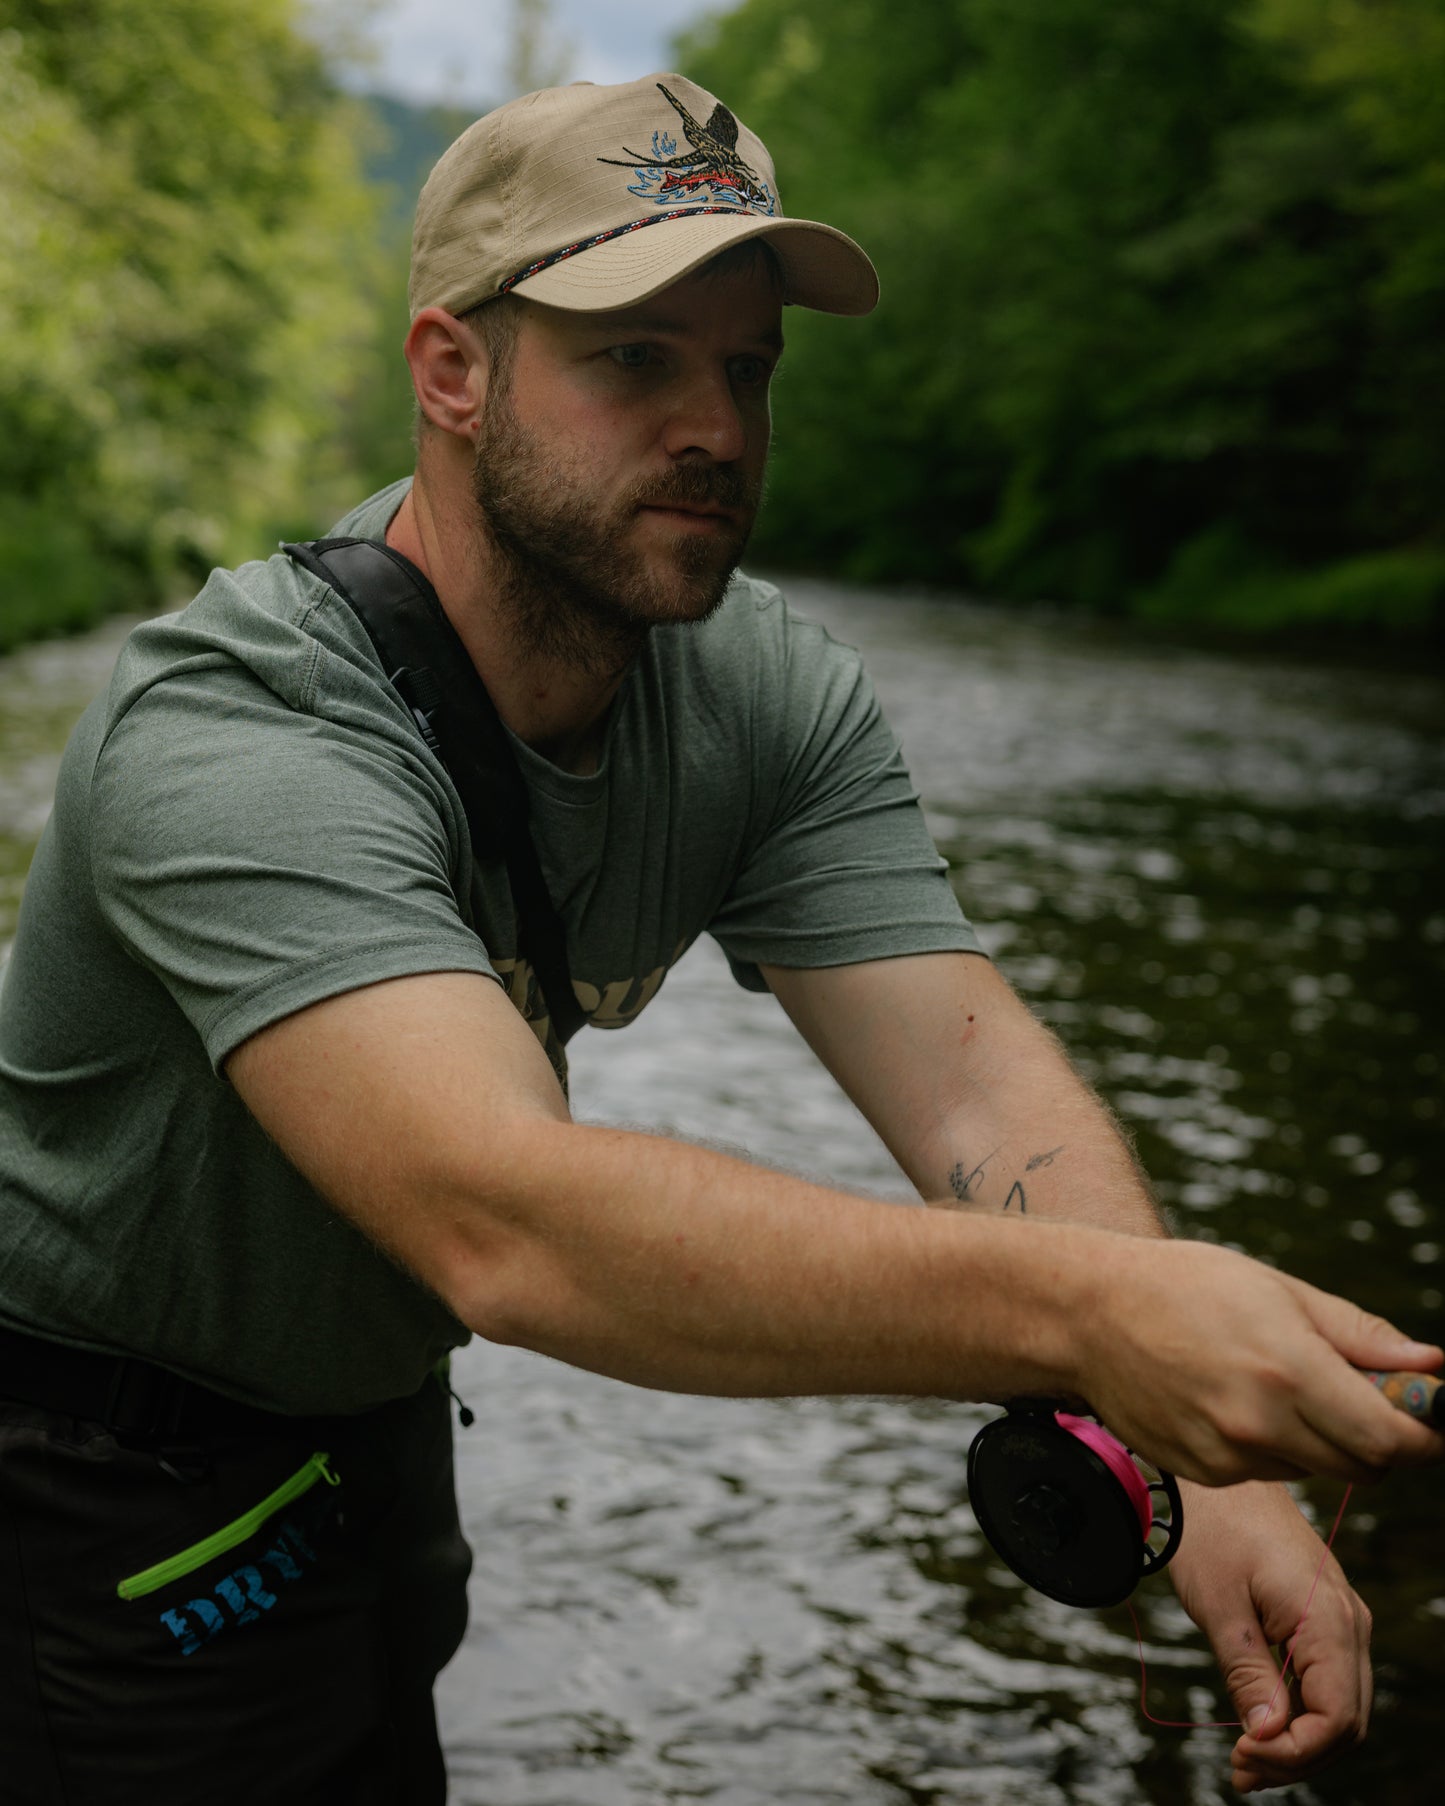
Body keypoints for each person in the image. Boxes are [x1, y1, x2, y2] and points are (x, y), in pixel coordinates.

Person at [0, 72, 1439, 1805]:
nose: (717, 426)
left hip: (365, 1427)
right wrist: (1096, 1318)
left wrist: (1208, 1472)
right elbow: (507, 1221)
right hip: (87, 1478)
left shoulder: (763, 695)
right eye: (633, 357)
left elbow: (978, 1103)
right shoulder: (234, 730)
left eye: (746, 368)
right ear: (452, 372)